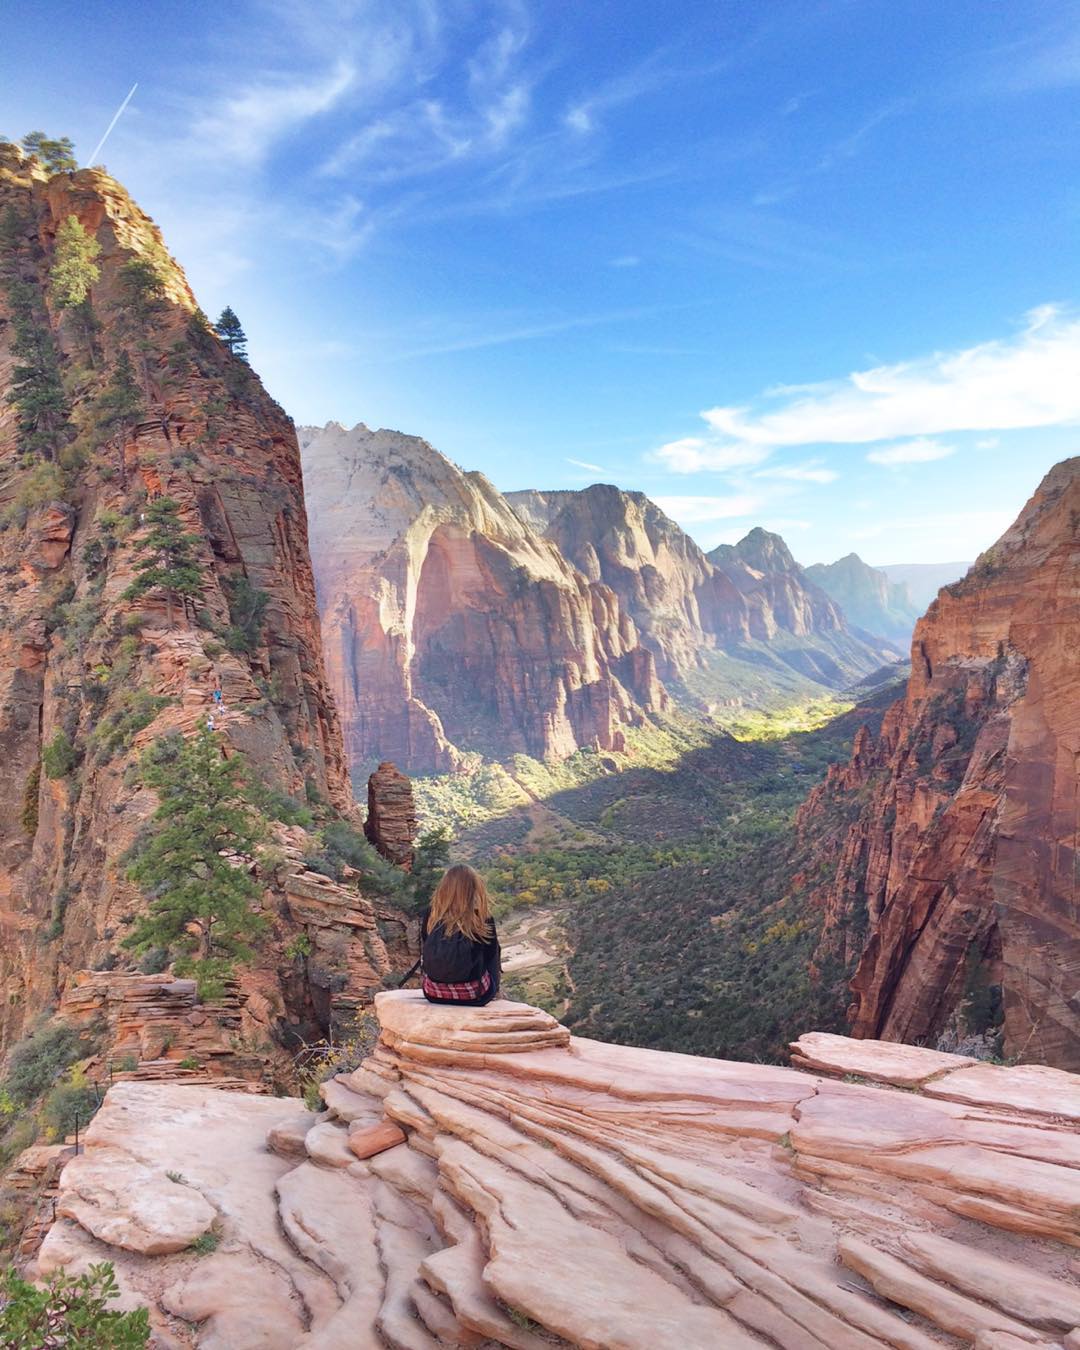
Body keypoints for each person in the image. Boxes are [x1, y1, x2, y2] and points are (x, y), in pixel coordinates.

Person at [420, 864, 501, 1005]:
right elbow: (491, 956)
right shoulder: (481, 918)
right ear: (473, 888)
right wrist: (495, 987)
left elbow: (426, 945)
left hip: (433, 993)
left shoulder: (432, 914)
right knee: (492, 952)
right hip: (473, 995)